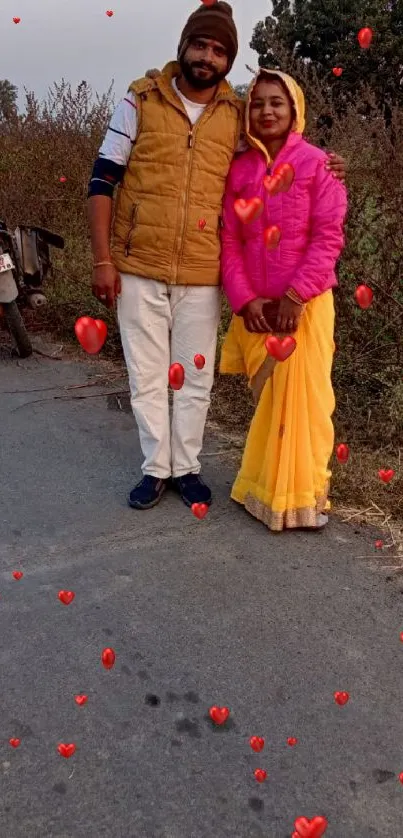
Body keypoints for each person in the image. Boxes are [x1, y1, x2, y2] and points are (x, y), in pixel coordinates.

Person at [87, 1, 346, 512]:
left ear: (229, 60)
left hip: (202, 272)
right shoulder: (139, 101)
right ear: (183, 45)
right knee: (146, 373)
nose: (208, 57)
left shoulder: (234, 115)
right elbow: (102, 180)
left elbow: (278, 157)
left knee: (194, 374)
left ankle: (186, 467)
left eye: (220, 50)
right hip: (138, 263)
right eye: (201, 45)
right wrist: (103, 260)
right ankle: (155, 468)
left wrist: (330, 165)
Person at [219, 69, 348, 532]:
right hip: (256, 311)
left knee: (306, 404)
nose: (267, 111)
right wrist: (244, 299)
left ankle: (302, 497)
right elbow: (230, 242)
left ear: (294, 110)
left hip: (306, 308)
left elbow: (328, 237)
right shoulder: (238, 170)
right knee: (272, 402)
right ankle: (263, 488)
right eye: (257, 103)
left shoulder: (318, 164)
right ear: (247, 113)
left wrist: (295, 295)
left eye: (277, 102)